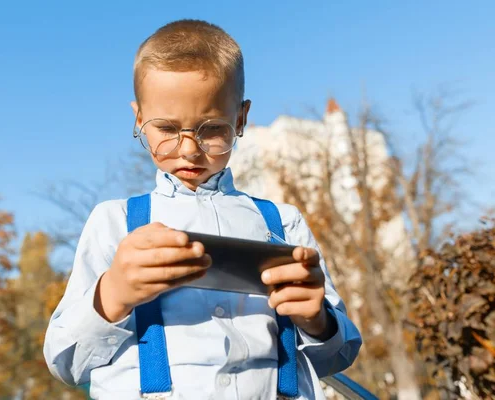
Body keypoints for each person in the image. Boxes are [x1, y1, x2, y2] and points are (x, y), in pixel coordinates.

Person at [44, 19, 362, 400]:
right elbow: (65, 361)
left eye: (211, 129)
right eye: (165, 128)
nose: (189, 150)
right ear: (139, 119)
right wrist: (112, 294)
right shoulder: (115, 222)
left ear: (241, 118)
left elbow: (338, 355)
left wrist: (317, 321)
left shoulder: (282, 222)